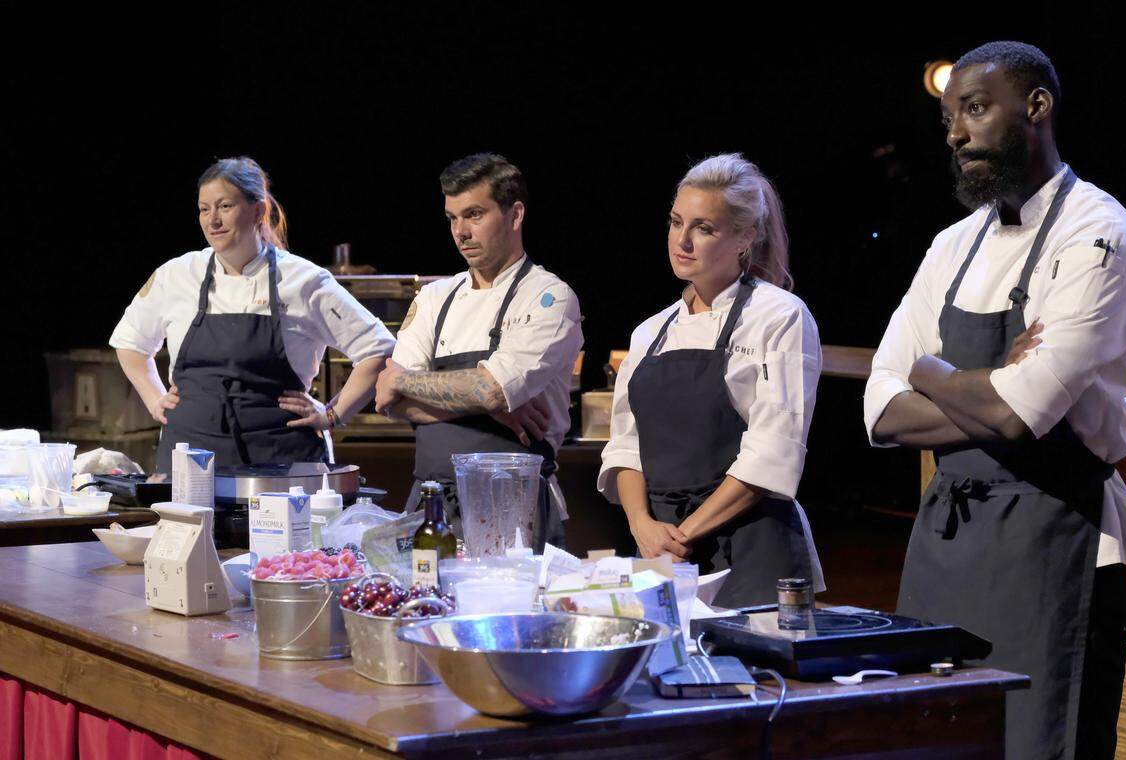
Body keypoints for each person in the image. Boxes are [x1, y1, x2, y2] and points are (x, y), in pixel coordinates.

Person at [864, 42, 1126, 760]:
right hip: (947, 547)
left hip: (1059, 547)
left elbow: (1024, 412)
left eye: (976, 109)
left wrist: (926, 371)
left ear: (1037, 107)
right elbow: (880, 411)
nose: (955, 133)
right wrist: (971, 384)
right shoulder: (950, 245)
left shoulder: (1099, 231)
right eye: (950, 117)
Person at [597, 153, 825, 609]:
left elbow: (771, 451)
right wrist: (643, 526)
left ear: (745, 237)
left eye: (704, 228)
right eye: (675, 222)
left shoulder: (778, 316)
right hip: (660, 550)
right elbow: (625, 445)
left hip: (750, 545)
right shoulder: (649, 332)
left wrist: (683, 533)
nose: (682, 241)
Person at [111, 157, 393, 473]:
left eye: (225, 207)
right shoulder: (177, 275)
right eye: (204, 209)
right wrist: (154, 399)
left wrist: (332, 414)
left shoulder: (302, 280)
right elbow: (130, 342)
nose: (212, 220)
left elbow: (379, 349)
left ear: (258, 211)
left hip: (281, 462)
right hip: (192, 459)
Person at [374, 153, 583, 545]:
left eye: (473, 214)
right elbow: (389, 401)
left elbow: (489, 388)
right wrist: (490, 409)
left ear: (514, 214)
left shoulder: (548, 297)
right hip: (429, 504)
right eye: (452, 218)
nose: (461, 232)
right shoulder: (435, 297)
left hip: (513, 508)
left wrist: (405, 379)